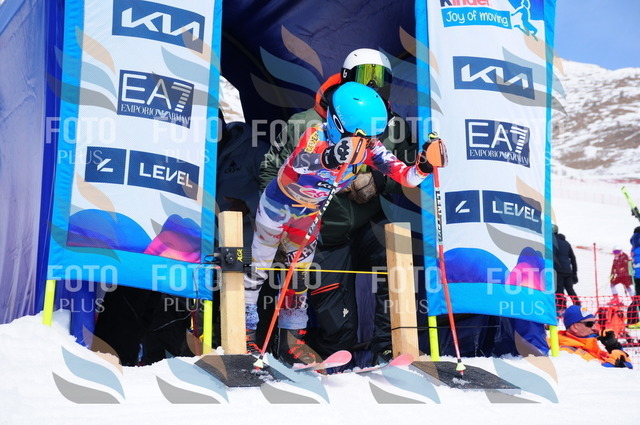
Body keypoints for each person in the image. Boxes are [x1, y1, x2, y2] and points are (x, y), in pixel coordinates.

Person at [244, 82, 445, 365]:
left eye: (373, 137)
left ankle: (292, 341)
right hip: (278, 208)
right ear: (338, 125)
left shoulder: (369, 148)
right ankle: (245, 334)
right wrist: (332, 156)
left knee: (299, 278)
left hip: (308, 216)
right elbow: (300, 163)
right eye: (362, 137)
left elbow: (405, 176)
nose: (369, 143)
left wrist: (424, 165)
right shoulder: (315, 134)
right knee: (259, 269)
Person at [558, 305, 632, 369]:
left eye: (595, 323)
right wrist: (611, 364)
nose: (595, 328)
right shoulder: (566, 352)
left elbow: (627, 367)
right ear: (575, 327)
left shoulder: (589, 346)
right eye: (589, 324)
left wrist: (613, 346)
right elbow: (590, 376)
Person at [552, 224, 580, 312]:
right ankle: (578, 305)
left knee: (559, 290)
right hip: (568, 271)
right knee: (570, 289)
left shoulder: (552, 241)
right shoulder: (566, 243)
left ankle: (562, 308)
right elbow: (573, 258)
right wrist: (574, 273)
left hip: (558, 270)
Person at [628, 227, 640, 328]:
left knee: (637, 297)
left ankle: (633, 319)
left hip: (637, 275)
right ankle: (633, 320)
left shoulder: (634, 245)